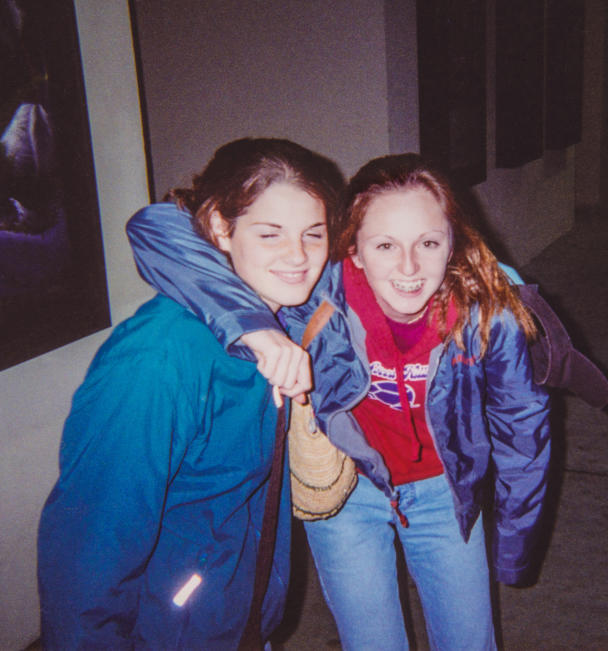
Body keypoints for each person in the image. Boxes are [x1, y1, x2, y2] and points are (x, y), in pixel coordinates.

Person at [126, 153, 552, 650]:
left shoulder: (485, 313)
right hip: (348, 496)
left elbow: (522, 426)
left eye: (429, 243)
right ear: (353, 248)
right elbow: (155, 227)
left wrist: (516, 543)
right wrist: (252, 328)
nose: (410, 267)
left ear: (452, 243)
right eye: (386, 244)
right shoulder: (314, 294)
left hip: (444, 493)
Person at [37, 137, 344, 648]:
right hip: (170, 634)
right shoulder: (158, 358)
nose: (299, 256)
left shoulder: (284, 319)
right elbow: (91, 547)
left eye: (314, 234)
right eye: (270, 234)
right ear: (221, 229)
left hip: (237, 619)